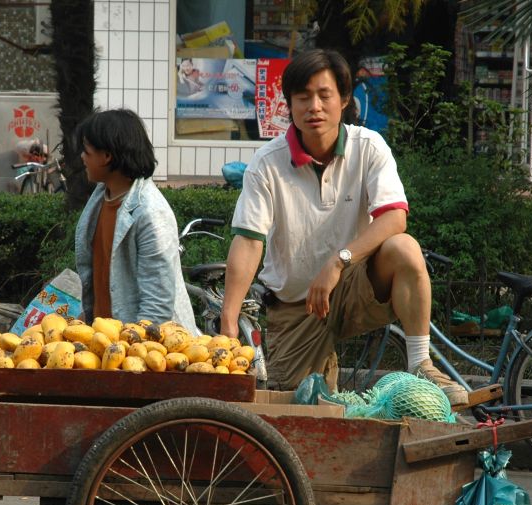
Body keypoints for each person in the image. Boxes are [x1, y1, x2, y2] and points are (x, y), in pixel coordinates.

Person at [219, 48, 468, 405]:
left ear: (344, 99)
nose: (314, 107)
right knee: (296, 409)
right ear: (289, 103)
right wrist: (228, 321)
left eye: (324, 95)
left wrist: (338, 262)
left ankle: (420, 364)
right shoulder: (267, 163)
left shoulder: (369, 147)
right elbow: (249, 241)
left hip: (354, 284)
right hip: (295, 304)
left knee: (404, 248)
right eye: (303, 97)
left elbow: (395, 217)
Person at [73, 108, 197, 331]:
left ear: (107, 156)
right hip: (107, 340)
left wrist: (136, 353)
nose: (82, 157)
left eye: (87, 151)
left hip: (142, 349)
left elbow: (156, 307)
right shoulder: (101, 196)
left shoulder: (150, 213)